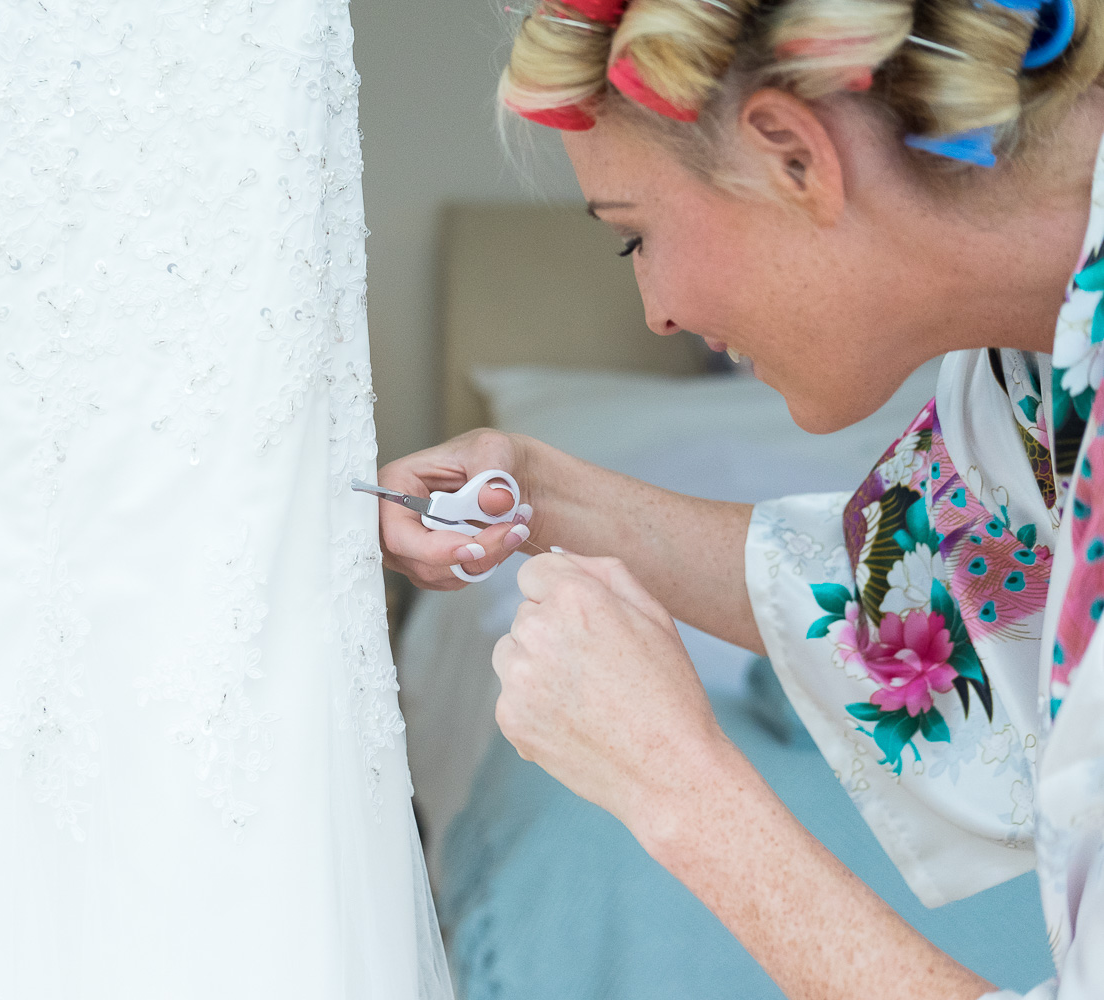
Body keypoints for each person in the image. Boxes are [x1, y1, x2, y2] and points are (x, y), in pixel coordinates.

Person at [376, 0, 1104, 997]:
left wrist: (676, 785)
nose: (658, 310)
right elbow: (905, 614)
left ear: (791, 154)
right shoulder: (1035, 369)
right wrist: (537, 494)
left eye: (634, 239)